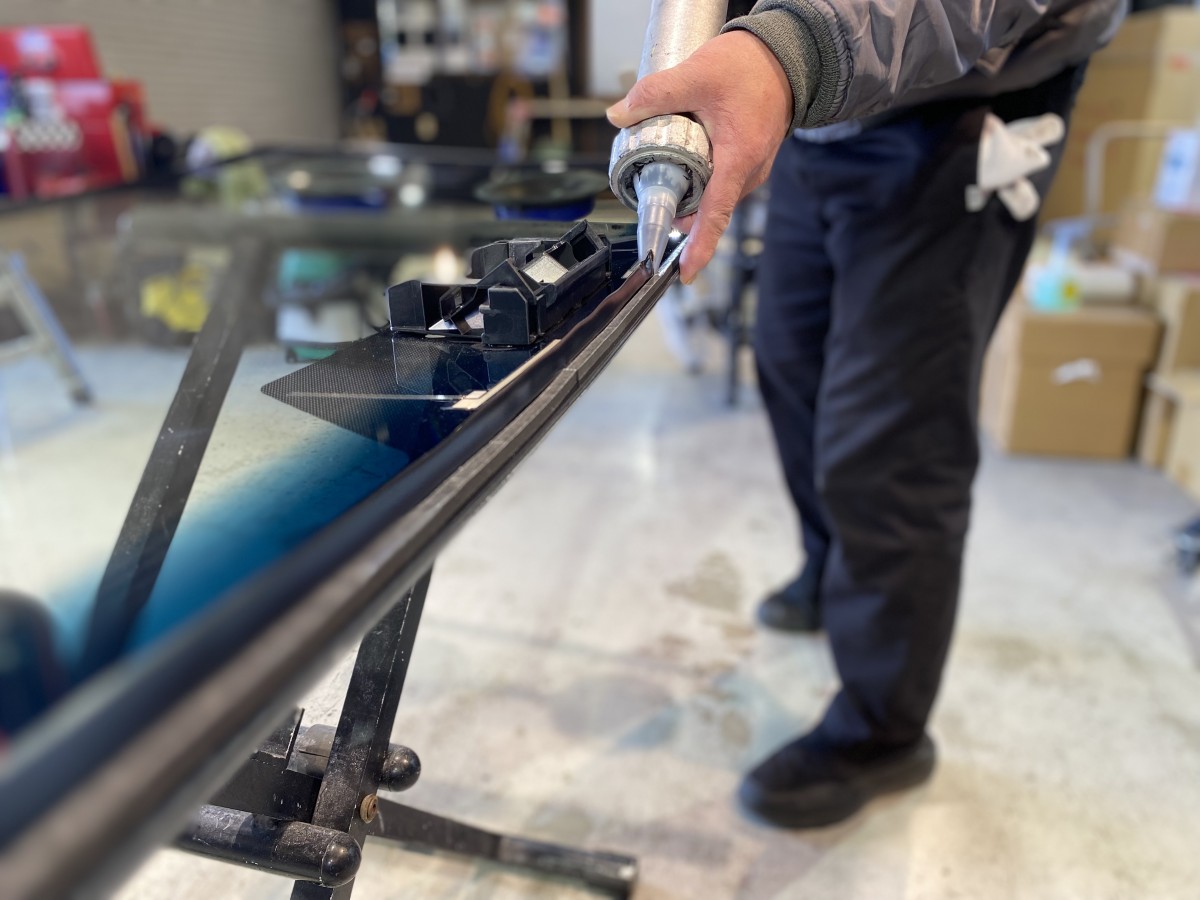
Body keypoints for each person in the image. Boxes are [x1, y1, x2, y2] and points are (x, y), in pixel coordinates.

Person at [607, 0, 1125, 828]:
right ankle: (835, 567)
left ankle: (884, 730)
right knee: (791, 361)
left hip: (961, 103)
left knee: (892, 435)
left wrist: (790, 49)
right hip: (823, 112)